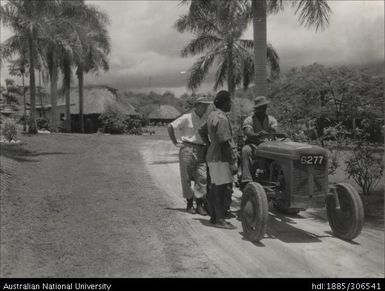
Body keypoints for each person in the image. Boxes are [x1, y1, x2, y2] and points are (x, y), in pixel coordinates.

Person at [198, 90, 237, 229]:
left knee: (214, 188)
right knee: (220, 189)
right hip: (220, 158)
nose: (231, 104)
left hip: (212, 156)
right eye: (229, 102)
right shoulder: (221, 118)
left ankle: (214, 217)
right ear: (225, 103)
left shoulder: (211, 115)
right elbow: (224, 142)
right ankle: (220, 219)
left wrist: (209, 144)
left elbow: (201, 131)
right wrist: (232, 163)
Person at [167, 95, 212, 215]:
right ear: (197, 106)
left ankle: (200, 205)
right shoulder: (187, 117)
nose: (206, 107)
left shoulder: (207, 119)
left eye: (207, 105)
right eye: (204, 105)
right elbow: (170, 126)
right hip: (187, 148)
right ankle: (189, 204)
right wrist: (175, 142)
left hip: (201, 150)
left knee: (201, 177)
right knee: (186, 177)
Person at [240, 96, 278, 188]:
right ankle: (247, 180)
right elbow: (248, 132)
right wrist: (258, 135)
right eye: (260, 108)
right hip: (253, 145)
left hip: (268, 146)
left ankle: (276, 179)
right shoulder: (249, 120)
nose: (262, 109)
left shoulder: (271, 119)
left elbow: (275, 130)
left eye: (264, 107)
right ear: (256, 109)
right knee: (245, 150)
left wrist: (274, 131)